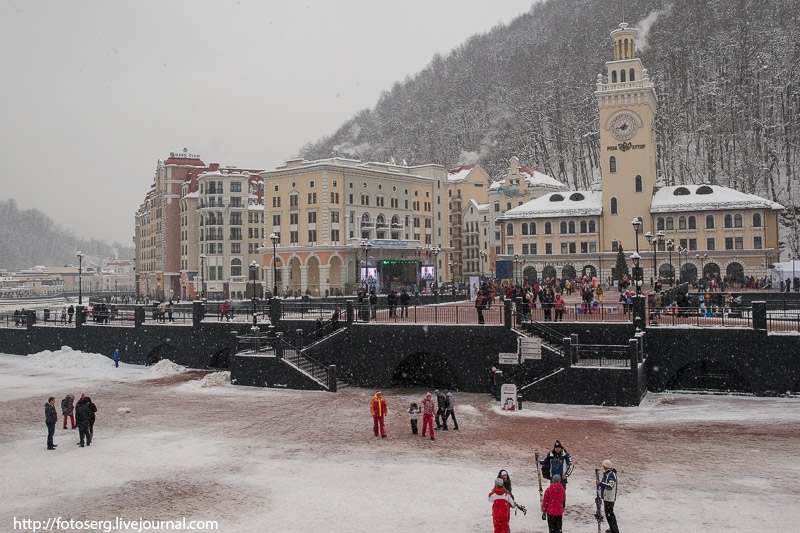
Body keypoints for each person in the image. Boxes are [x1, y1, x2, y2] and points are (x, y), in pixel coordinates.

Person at [598, 459, 620, 533]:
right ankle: (612, 527)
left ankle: (614, 529)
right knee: (608, 514)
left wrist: (600, 484)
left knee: (610, 514)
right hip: (607, 497)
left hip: (609, 498)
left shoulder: (611, 475)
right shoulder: (608, 473)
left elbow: (610, 486)